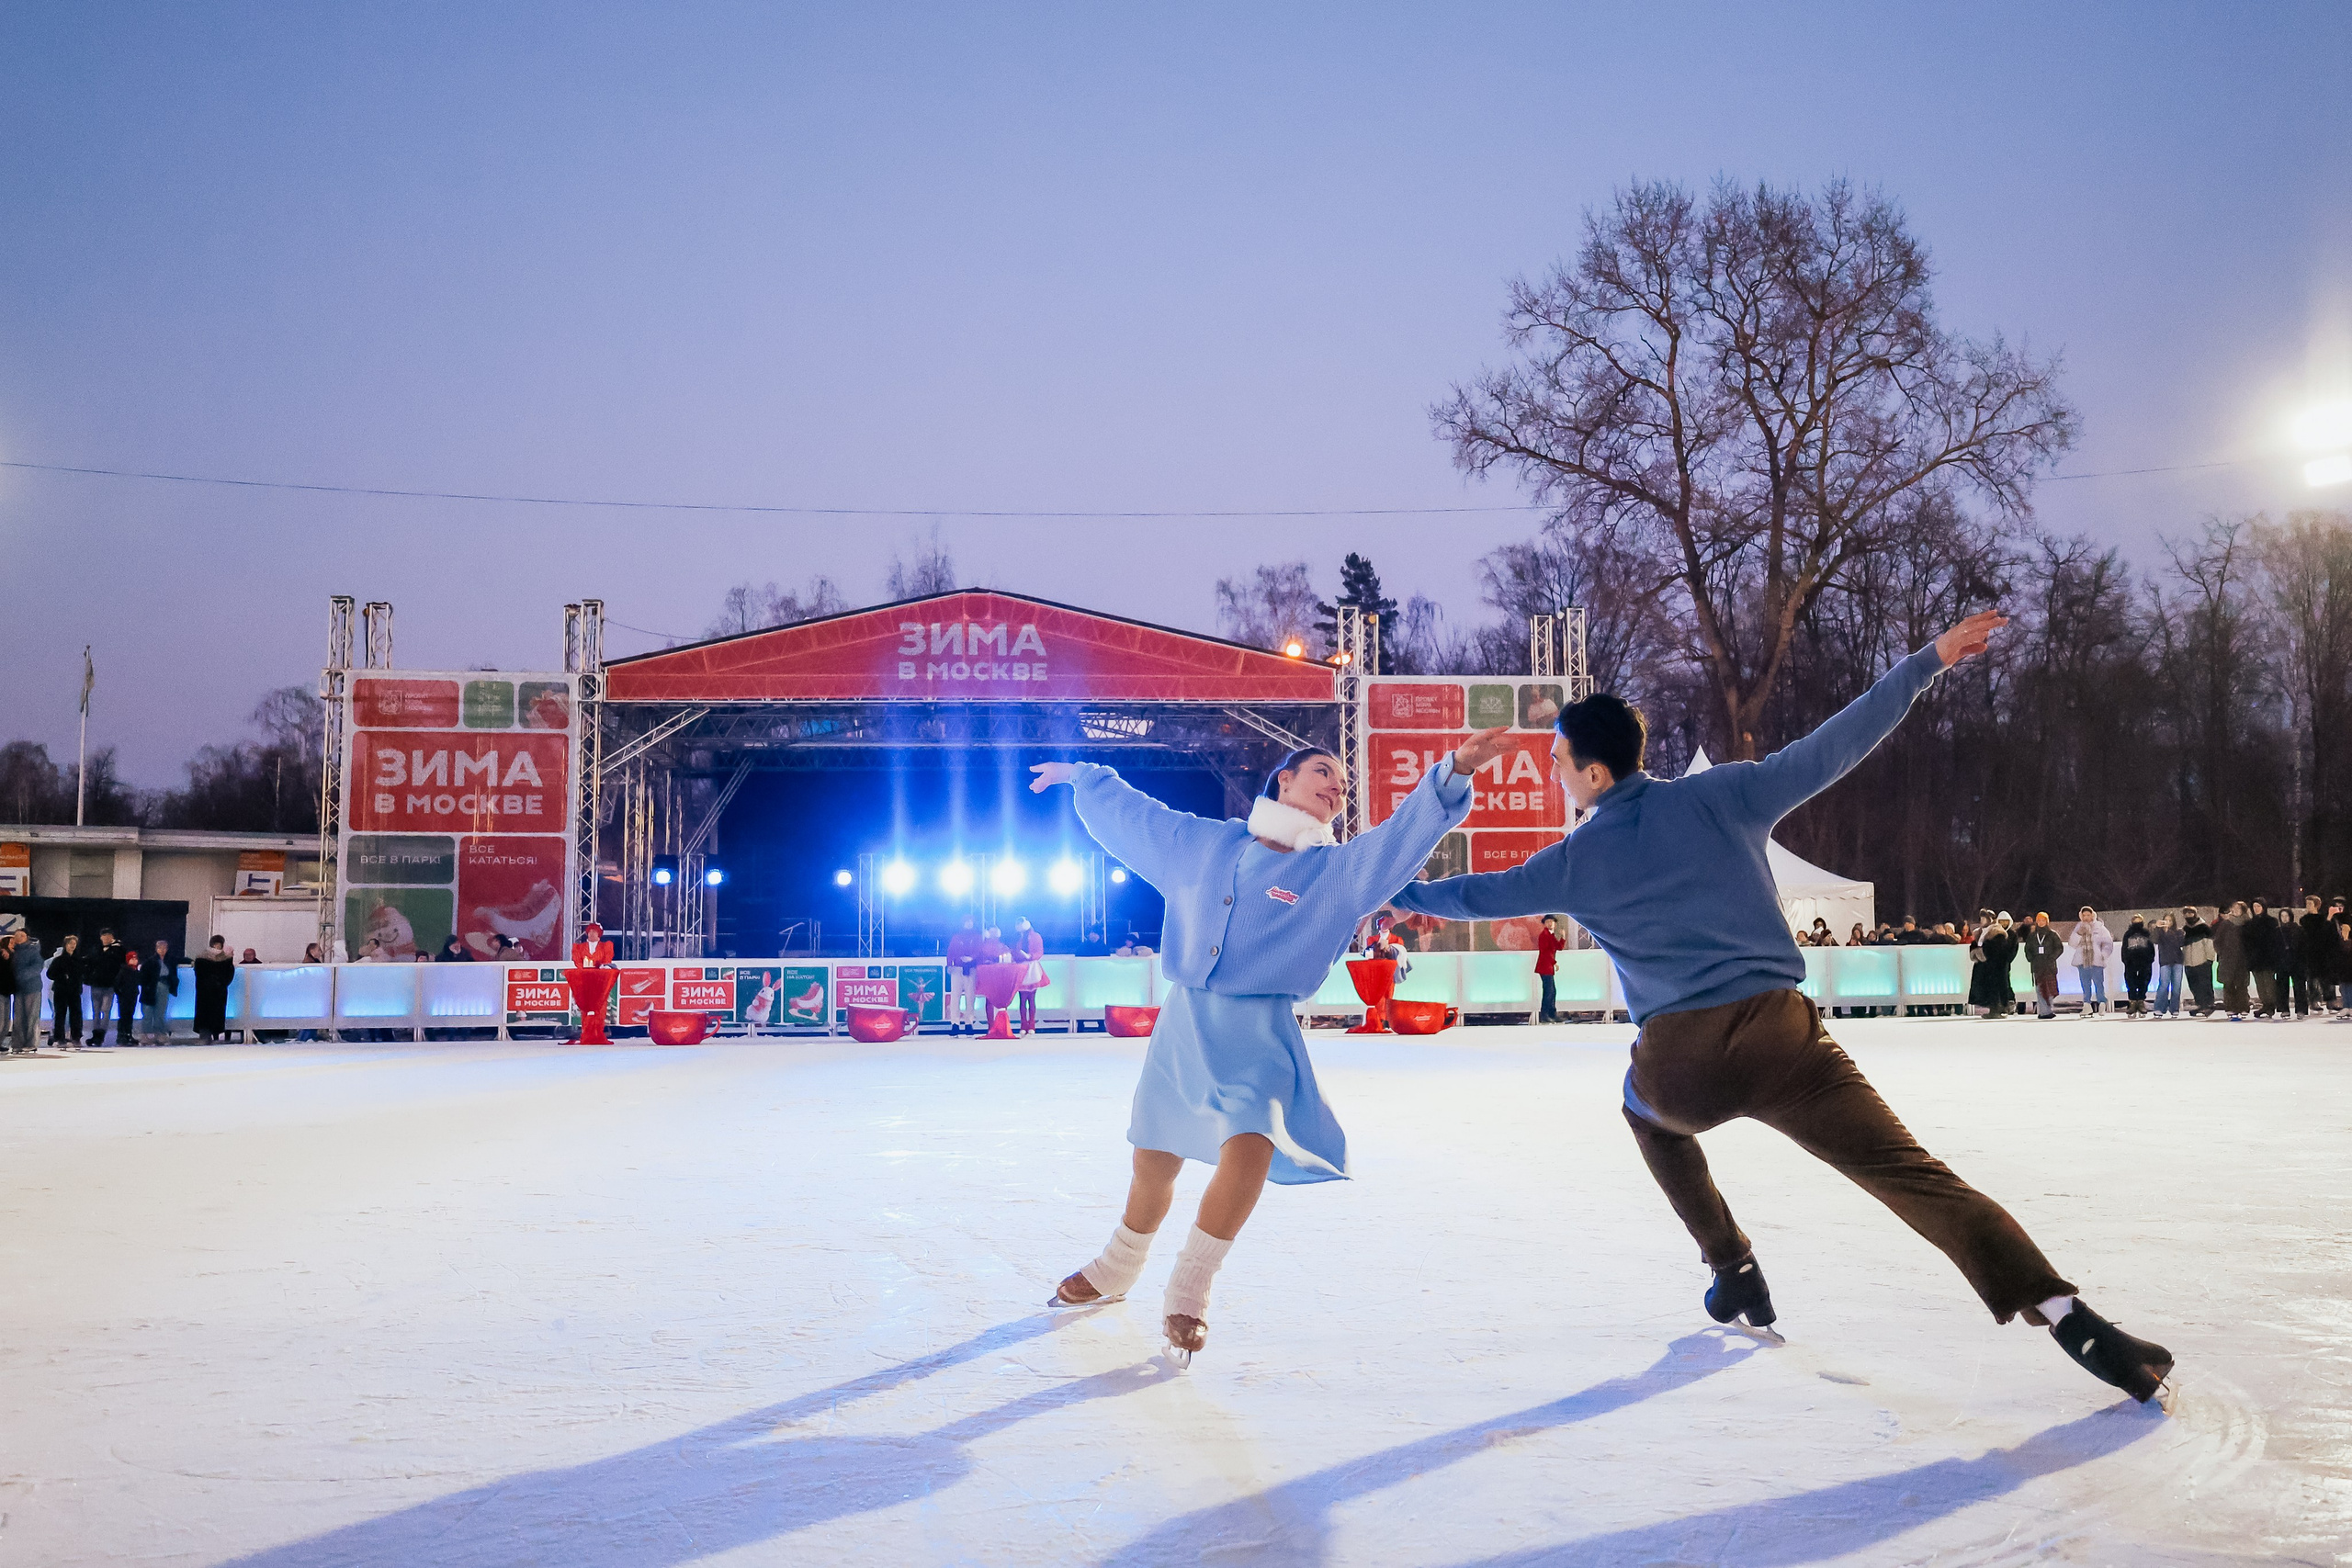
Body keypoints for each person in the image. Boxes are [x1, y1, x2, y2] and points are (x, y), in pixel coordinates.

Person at [1387, 610, 2174, 1404]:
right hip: (1785, 1039)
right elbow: (1838, 741)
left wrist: (1378, 885)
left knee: (1645, 1114)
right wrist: (1927, 660)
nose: (1556, 773)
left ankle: (1733, 1269)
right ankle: (2070, 1315)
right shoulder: (1725, 795)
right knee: (1910, 1173)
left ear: (1594, 774)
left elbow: (1466, 895)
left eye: (1560, 761)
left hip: (1681, 1063)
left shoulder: (1573, 861)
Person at [1032, 727, 1505, 1363]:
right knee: (1156, 1158)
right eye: (1322, 771)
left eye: (1342, 783)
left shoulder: (1334, 872)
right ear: (1283, 780)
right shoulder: (1209, 844)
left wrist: (1451, 774)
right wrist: (1086, 778)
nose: (1337, 785)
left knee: (1251, 1145)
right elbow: (1146, 821)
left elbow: (1395, 844)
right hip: (1186, 1024)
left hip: (1258, 1033)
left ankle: (1190, 1287)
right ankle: (1120, 1262)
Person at [3, 920, 41, 1054]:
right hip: (18, 989)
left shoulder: (33, 950)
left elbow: (37, 967)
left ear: (27, 938)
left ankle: (31, 1043)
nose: (19, 938)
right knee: (18, 1017)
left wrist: (20, 976)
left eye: (22, 936)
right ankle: (17, 1043)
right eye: (17, 935)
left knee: (31, 1016)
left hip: (32, 988)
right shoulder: (12, 951)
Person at [83, 927, 125, 1045]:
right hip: (96, 983)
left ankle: (101, 1034)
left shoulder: (118, 949)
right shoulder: (97, 949)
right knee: (96, 1011)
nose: (105, 938)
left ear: (112, 937)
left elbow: (119, 965)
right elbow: (90, 962)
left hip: (109, 984)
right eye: (103, 936)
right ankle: (96, 1033)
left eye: (108, 936)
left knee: (105, 1010)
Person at [2297, 895, 2337, 1017]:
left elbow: (2326, 935)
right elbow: (2308, 935)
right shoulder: (2304, 920)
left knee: (2326, 978)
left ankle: (2330, 1001)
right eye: (2307, 903)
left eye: (2310, 903)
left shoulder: (2323, 919)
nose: (2307, 906)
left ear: (2316, 905)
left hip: (2323, 953)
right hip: (2309, 953)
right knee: (2312, 979)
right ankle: (2314, 1001)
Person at [192, 936, 237, 1043]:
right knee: (207, 1013)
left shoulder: (202, 958)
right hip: (211, 991)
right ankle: (206, 1036)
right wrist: (219, 983)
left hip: (212, 991)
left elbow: (228, 974)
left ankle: (211, 1036)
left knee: (211, 1013)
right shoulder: (203, 957)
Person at [2021, 912, 2064, 1021]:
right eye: (2039, 920)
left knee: (2049, 989)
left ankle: (2048, 1010)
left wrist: (2051, 957)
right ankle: (2044, 1011)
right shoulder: (2032, 936)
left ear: (2047, 921)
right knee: (2039, 989)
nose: (2041, 923)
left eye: (2043, 920)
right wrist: (2031, 958)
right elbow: (2027, 949)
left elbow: (2059, 948)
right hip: (2037, 966)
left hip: (2049, 966)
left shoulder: (2052, 934)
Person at [1006, 917, 1046, 1034]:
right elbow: (1013, 951)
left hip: (1032, 967)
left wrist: (1030, 956)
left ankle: (1032, 1025)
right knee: (1022, 999)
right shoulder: (1017, 937)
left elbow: (1040, 952)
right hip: (1021, 967)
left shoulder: (1035, 936)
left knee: (1031, 998)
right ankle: (1023, 1024)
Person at [944, 915, 983, 1034]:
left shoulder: (977, 937)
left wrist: (971, 958)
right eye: (967, 921)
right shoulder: (956, 937)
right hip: (957, 968)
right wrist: (949, 964)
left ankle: (969, 1022)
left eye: (971, 921)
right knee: (955, 997)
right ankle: (955, 1023)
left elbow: (979, 950)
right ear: (963, 923)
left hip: (971, 969)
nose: (969, 923)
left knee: (970, 996)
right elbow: (950, 951)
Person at [2244, 899, 2281, 1019]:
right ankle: (2266, 1004)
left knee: (2269, 982)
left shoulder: (2271, 921)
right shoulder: (2249, 924)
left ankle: (2271, 1004)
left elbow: (2274, 940)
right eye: (2254, 906)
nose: (2256, 908)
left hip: (2268, 957)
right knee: (2260, 983)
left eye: (2258, 906)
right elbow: (2246, 942)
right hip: (2255, 958)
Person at [1978, 914, 2019, 1018]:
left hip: (2004, 964)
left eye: (2005, 921)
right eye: (2001, 921)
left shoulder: (2011, 934)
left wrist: (2007, 960)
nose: (2003, 924)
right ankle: (1996, 1007)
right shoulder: (1992, 933)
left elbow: (2013, 949)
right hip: (1993, 965)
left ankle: (2006, 1005)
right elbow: (1986, 947)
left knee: (2005, 985)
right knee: (1995, 985)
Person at [48, 933, 84, 1048]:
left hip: (74, 991)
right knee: (60, 1014)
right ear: (65, 945)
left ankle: (76, 1037)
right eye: (70, 943)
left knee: (76, 1014)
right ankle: (60, 1038)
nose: (72, 946)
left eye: (74, 944)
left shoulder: (78, 960)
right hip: (61, 990)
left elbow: (81, 974)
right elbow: (50, 974)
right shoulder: (58, 960)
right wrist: (62, 976)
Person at [2215, 901, 2250, 1018]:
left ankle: (2243, 1007)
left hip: (2243, 959)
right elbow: (2218, 940)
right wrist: (2222, 953)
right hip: (2228, 959)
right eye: (2234, 908)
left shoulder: (2247, 924)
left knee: (2242, 984)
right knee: (2228, 983)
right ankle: (2230, 1007)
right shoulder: (2226, 924)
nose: (2235, 910)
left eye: (2238, 908)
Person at [2180, 908, 2217, 1017]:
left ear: (2195, 914)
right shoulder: (2185, 929)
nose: (2188, 915)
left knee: (2205, 984)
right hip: (2189, 962)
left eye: (2190, 913)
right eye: (2186, 913)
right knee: (2194, 984)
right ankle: (2200, 1004)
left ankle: (2209, 1005)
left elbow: (2210, 944)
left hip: (2202, 960)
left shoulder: (2204, 928)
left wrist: (2209, 959)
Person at [143, 938, 181, 1043]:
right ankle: (146, 1034)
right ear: (156, 949)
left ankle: (159, 1033)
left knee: (161, 1011)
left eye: (164, 948)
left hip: (164, 986)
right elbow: (143, 976)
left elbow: (182, 960)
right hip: (151, 988)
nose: (162, 950)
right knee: (148, 1012)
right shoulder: (150, 961)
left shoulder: (170, 960)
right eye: (160, 948)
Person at [2118, 916, 2155, 1018]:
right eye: (2135, 921)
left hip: (2145, 961)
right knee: (2131, 982)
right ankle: (2133, 1002)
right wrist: (2125, 960)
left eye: (2139, 921)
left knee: (2144, 981)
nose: (2137, 923)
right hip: (2131, 962)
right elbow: (2124, 947)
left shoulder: (2146, 933)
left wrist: (2150, 959)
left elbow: (2151, 947)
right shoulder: (2128, 934)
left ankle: (2141, 1001)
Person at [1534, 914, 1566, 1022]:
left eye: (1552, 922)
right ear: (1544, 924)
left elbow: (1559, 947)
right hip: (1545, 966)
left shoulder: (1550, 935)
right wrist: (1554, 962)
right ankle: (1545, 1014)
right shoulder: (1544, 935)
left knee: (1552, 991)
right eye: (1548, 922)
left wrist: (1563, 937)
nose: (1550, 923)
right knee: (1549, 991)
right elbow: (1545, 952)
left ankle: (1552, 1014)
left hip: (1548, 967)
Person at [2151, 914, 2184, 1018]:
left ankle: (2174, 1008)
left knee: (2176, 987)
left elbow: (2180, 943)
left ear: (2173, 922)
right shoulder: (2160, 932)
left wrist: (2169, 932)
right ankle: (2159, 1008)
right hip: (2165, 961)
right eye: (2165, 920)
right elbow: (2153, 940)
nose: (2167, 923)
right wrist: (2157, 928)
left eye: (2170, 921)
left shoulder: (2178, 932)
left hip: (2177, 961)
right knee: (2164, 985)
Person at [112, 948, 146, 1044]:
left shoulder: (136, 971)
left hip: (133, 996)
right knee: (123, 1016)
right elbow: (117, 984)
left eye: (136, 959)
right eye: (132, 959)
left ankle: (128, 1034)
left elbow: (140, 981)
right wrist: (120, 994)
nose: (134, 961)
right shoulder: (124, 970)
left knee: (130, 1016)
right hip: (124, 997)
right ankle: (121, 1035)